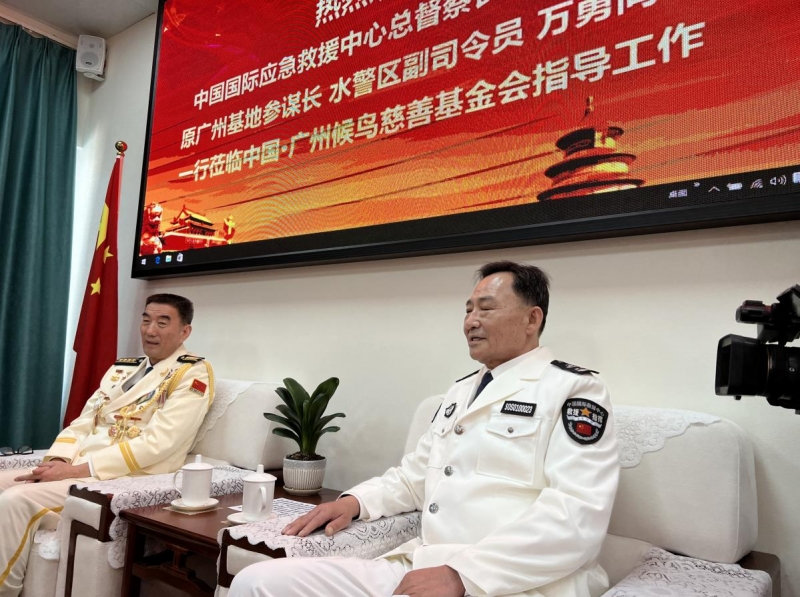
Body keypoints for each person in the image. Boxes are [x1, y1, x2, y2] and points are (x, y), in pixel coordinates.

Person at [230, 261, 619, 597]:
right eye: (468, 310)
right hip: (424, 562)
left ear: (532, 319)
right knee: (257, 583)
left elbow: (576, 513)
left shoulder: (573, 390)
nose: (471, 321)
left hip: (507, 581)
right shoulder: (461, 391)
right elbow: (415, 476)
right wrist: (354, 503)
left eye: (486, 309)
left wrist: (464, 575)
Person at [0, 293, 214, 597]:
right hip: (79, 467)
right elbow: (84, 421)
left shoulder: (191, 373)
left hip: (121, 477)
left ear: (184, 331)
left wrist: (77, 470)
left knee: (15, 500)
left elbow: (160, 443)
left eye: (162, 322)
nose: (150, 330)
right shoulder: (123, 369)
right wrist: (59, 461)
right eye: (146, 320)